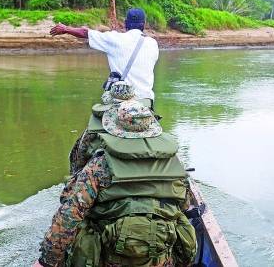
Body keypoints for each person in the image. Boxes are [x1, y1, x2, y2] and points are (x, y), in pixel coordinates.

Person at [34, 84, 197, 267]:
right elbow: (185, 205)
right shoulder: (173, 161)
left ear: (116, 128)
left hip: (108, 257)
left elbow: (68, 218)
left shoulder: (100, 165)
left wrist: (47, 262)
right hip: (160, 258)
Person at [50, 8, 159, 103]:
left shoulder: (114, 39)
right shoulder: (153, 44)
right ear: (144, 24)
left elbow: (85, 33)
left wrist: (65, 29)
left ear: (125, 23)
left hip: (122, 102)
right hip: (146, 101)